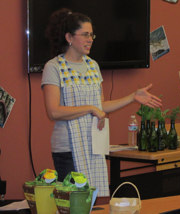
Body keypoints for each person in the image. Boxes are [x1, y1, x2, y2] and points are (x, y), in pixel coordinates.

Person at [42, 8, 162, 197]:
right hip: (68, 149)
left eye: (92, 35)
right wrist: (91, 109)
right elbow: (54, 112)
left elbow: (102, 106)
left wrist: (132, 97)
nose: (90, 39)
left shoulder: (93, 66)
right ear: (69, 37)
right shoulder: (53, 67)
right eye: (85, 35)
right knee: (74, 203)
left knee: (93, 201)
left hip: (93, 145)